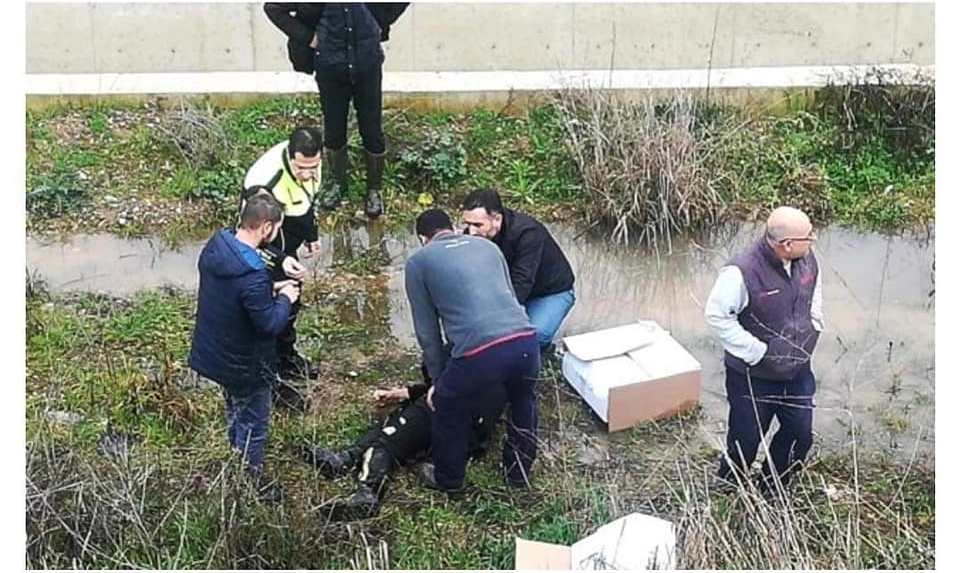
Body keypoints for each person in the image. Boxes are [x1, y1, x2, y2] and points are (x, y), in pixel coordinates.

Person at [405, 209, 541, 492]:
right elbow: (510, 295)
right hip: (526, 339)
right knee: (523, 400)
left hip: (480, 352)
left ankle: (449, 480)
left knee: (446, 404)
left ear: (422, 238)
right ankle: (518, 475)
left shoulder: (419, 262)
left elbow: (428, 333)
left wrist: (437, 381)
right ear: (454, 227)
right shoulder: (487, 246)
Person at [189, 193, 301, 502]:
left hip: (216, 354)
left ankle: (234, 455)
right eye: (276, 229)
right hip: (245, 363)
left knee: (234, 408)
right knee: (254, 422)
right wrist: (284, 298)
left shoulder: (218, 245)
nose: (276, 235)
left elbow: (236, 296)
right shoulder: (251, 271)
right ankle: (248, 483)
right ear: (266, 228)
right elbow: (268, 324)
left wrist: (271, 286)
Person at [704, 206, 823, 495]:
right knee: (745, 440)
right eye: (809, 236)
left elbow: (814, 295)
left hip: (797, 371)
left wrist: (816, 323)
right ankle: (728, 490)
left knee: (799, 435)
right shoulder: (740, 272)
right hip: (751, 376)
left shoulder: (807, 260)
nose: (813, 240)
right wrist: (757, 351)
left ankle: (772, 488)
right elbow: (717, 315)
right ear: (786, 244)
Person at [298, 365, 506, 521]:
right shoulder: (495, 347)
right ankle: (347, 458)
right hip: (464, 420)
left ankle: (369, 491)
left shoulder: (458, 338)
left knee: (386, 441)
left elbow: (442, 377)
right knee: (391, 426)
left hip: (448, 411)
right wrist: (401, 393)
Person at [264, 2, 409, 219]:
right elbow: (273, 8)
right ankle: (338, 184)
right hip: (330, 68)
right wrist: (309, 37)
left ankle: (374, 190)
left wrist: (379, 22)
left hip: (367, 65)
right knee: (334, 129)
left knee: (372, 129)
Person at [243, 127, 323, 381]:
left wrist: (312, 235)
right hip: (263, 244)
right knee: (271, 300)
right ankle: (268, 365)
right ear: (290, 157)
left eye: (314, 167)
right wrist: (280, 259)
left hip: (287, 230)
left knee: (292, 299)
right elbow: (250, 238)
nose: (308, 174)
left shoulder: (311, 163)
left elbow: (306, 200)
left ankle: (286, 356)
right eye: (301, 169)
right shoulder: (264, 185)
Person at [460, 188, 576, 355]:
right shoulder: (474, 236)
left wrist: (498, 324)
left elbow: (522, 282)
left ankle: (541, 354)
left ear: (496, 219)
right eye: (467, 224)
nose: (471, 232)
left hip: (551, 293)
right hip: (508, 291)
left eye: (477, 225)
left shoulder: (527, 233)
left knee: (531, 338)